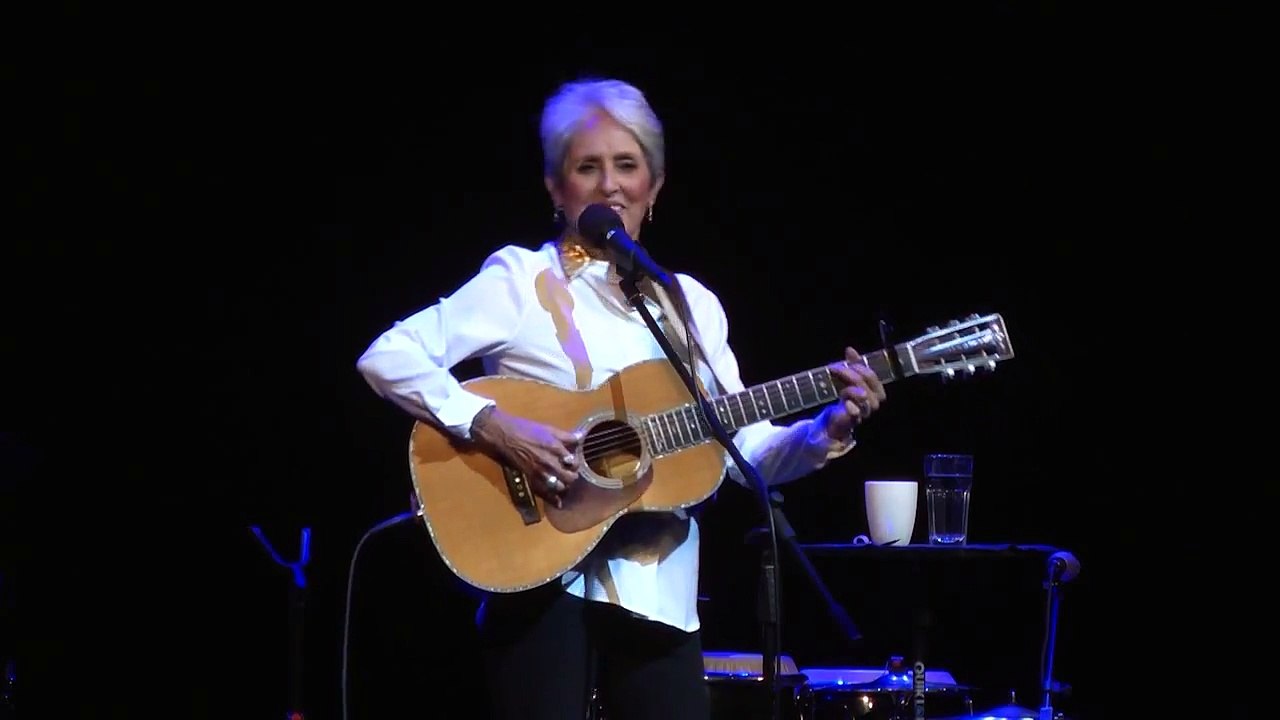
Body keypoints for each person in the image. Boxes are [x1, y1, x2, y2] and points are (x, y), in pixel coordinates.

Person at [355, 77, 887, 720]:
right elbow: (388, 356)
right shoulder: (521, 282)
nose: (610, 184)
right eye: (588, 167)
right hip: (537, 570)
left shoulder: (689, 305)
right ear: (557, 188)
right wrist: (494, 425)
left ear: (654, 188)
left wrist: (826, 428)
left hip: (657, 589)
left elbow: (743, 451)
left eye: (627, 166)